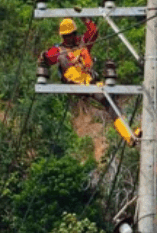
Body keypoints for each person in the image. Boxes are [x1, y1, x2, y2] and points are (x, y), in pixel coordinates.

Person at [39, 15, 141, 146]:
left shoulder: (83, 43)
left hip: (90, 83)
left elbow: (93, 33)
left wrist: (85, 19)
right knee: (62, 57)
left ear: (74, 33)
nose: (68, 38)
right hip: (74, 84)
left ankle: (129, 136)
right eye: (65, 36)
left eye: (70, 35)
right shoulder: (59, 50)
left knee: (110, 103)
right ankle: (129, 135)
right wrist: (44, 56)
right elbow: (49, 57)